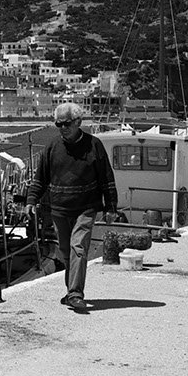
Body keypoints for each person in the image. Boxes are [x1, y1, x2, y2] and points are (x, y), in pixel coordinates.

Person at [26, 103, 118, 311]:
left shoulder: (94, 145)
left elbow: (106, 178)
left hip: (86, 208)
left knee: (79, 247)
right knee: (66, 252)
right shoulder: (52, 147)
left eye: (66, 124)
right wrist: (31, 201)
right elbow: (40, 178)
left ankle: (75, 293)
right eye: (58, 124)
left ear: (78, 122)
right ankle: (71, 292)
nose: (62, 128)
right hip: (59, 209)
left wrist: (111, 207)